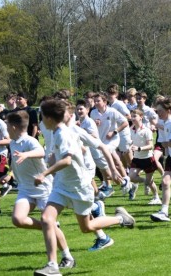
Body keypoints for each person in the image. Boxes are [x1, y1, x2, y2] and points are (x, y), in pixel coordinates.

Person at [34, 99, 135, 276]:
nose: (40, 120)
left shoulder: (64, 133)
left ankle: (120, 219)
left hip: (79, 187)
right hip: (61, 186)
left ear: (49, 118)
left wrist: (44, 174)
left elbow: (66, 159)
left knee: (87, 227)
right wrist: (47, 163)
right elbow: (56, 156)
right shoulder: (56, 132)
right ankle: (52, 265)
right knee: (47, 218)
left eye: (42, 116)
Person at [6, 111, 75, 269]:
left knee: (50, 222)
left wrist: (26, 154)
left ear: (14, 127)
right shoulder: (12, 142)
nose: (6, 128)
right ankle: (46, 227)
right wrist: (10, 174)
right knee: (18, 219)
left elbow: (41, 152)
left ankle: (67, 256)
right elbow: (15, 162)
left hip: (43, 188)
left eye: (7, 125)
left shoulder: (29, 141)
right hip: (25, 188)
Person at [128, 109, 161, 203]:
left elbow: (151, 146)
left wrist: (139, 148)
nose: (133, 118)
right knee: (131, 177)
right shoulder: (131, 130)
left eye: (135, 116)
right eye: (132, 116)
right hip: (137, 158)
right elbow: (131, 142)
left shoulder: (146, 130)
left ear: (141, 117)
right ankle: (145, 182)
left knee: (150, 181)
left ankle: (156, 197)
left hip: (148, 159)